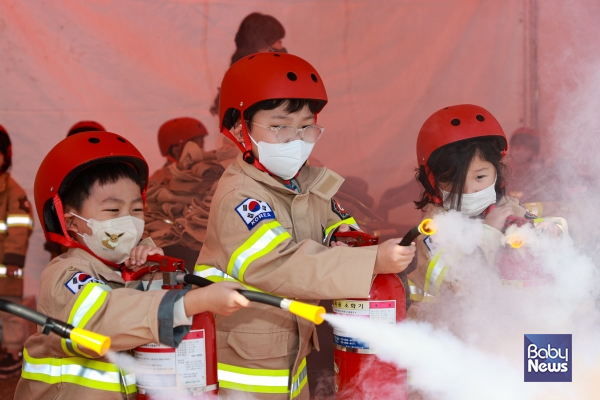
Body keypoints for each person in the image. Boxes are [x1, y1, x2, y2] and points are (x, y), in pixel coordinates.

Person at [195, 53, 415, 399]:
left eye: (306, 127)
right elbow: (280, 263)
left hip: (289, 360)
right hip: (244, 371)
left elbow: (335, 223)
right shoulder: (240, 197)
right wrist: (372, 261)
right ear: (240, 128)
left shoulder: (302, 183)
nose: (296, 139)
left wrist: (346, 238)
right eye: (281, 126)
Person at [15, 131, 250, 399]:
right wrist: (192, 302)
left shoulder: (129, 269)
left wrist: (153, 272)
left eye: (136, 210)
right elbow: (104, 318)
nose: (128, 221)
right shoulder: (64, 275)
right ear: (72, 223)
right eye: (113, 211)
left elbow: (148, 331)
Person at [409, 104, 567, 301]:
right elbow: (458, 285)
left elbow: (531, 223)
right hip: (440, 327)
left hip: (500, 318)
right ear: (432, 181)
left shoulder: (501, 205)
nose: (469, 190)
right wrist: (489, 231)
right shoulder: (432, 228)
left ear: (497, 173)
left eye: (480, 177)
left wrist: (554, 231)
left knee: (558, 327)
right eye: (453, 181)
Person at [145, 117, 231, 272]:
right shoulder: (159, 179)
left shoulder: (208, 171)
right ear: (177, 149)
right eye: (195, 144)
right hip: (180, 248)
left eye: (201, 143)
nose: (200, 149)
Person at [0, 125, 34, 379]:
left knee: (9, 309)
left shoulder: (13, 191)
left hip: (6, 267)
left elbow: (20, 228)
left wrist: (13, 259)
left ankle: (13, 352)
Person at [210, 12, 287, 116]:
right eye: (279, 41)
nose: (281, 46)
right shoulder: (250, 78)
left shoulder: (238, 73)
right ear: (262, 46)